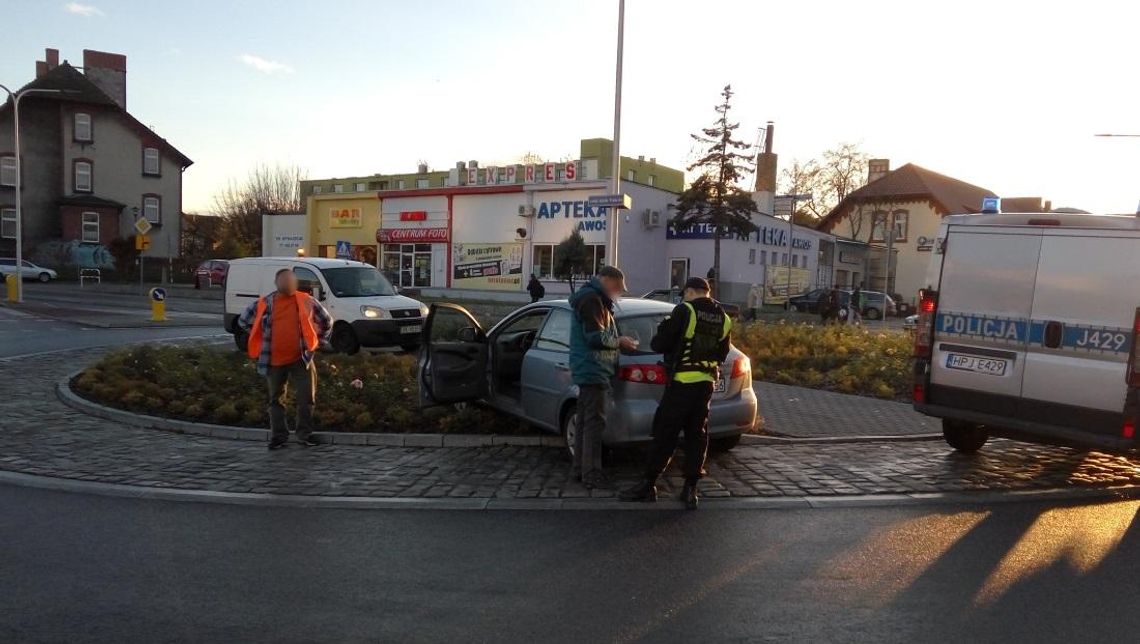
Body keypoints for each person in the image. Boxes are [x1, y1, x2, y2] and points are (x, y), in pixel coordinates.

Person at [620, 277, 731, 509]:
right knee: (697, 436)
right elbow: (722, 354)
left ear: (690, 292)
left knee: (665, 434)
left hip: (681, 384)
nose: (683, 298)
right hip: (705, 386)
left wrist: (663, 329)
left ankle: (648, 485)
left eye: (684, 294)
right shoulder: (724, 317)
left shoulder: (684, 310)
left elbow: (659, 344)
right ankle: (691, 489)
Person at [239, 268, 333, 450]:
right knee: (275, 399)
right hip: (273, 360)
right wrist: (260, 335)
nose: (288, 284)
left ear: (295, 283)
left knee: (306, 398)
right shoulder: (265, 303)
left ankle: (304, 434)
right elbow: (243, 320)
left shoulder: (306, 300)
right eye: (284, 281)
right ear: (277, 283)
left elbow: (327, 321)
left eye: (291, 281)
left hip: (302, 358)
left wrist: (317, 342)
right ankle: (278, 437)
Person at [568, 265, 639, 489]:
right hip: (592, 368)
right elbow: (595, 337)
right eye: (616, 287)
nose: (617, 292)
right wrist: (620, 342)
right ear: (606, 280)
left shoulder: (594, 299)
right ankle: (591, 472)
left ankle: (580, 469)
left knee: (585, 422)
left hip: (591, 368)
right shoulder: (592, 300)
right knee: (593, 424)